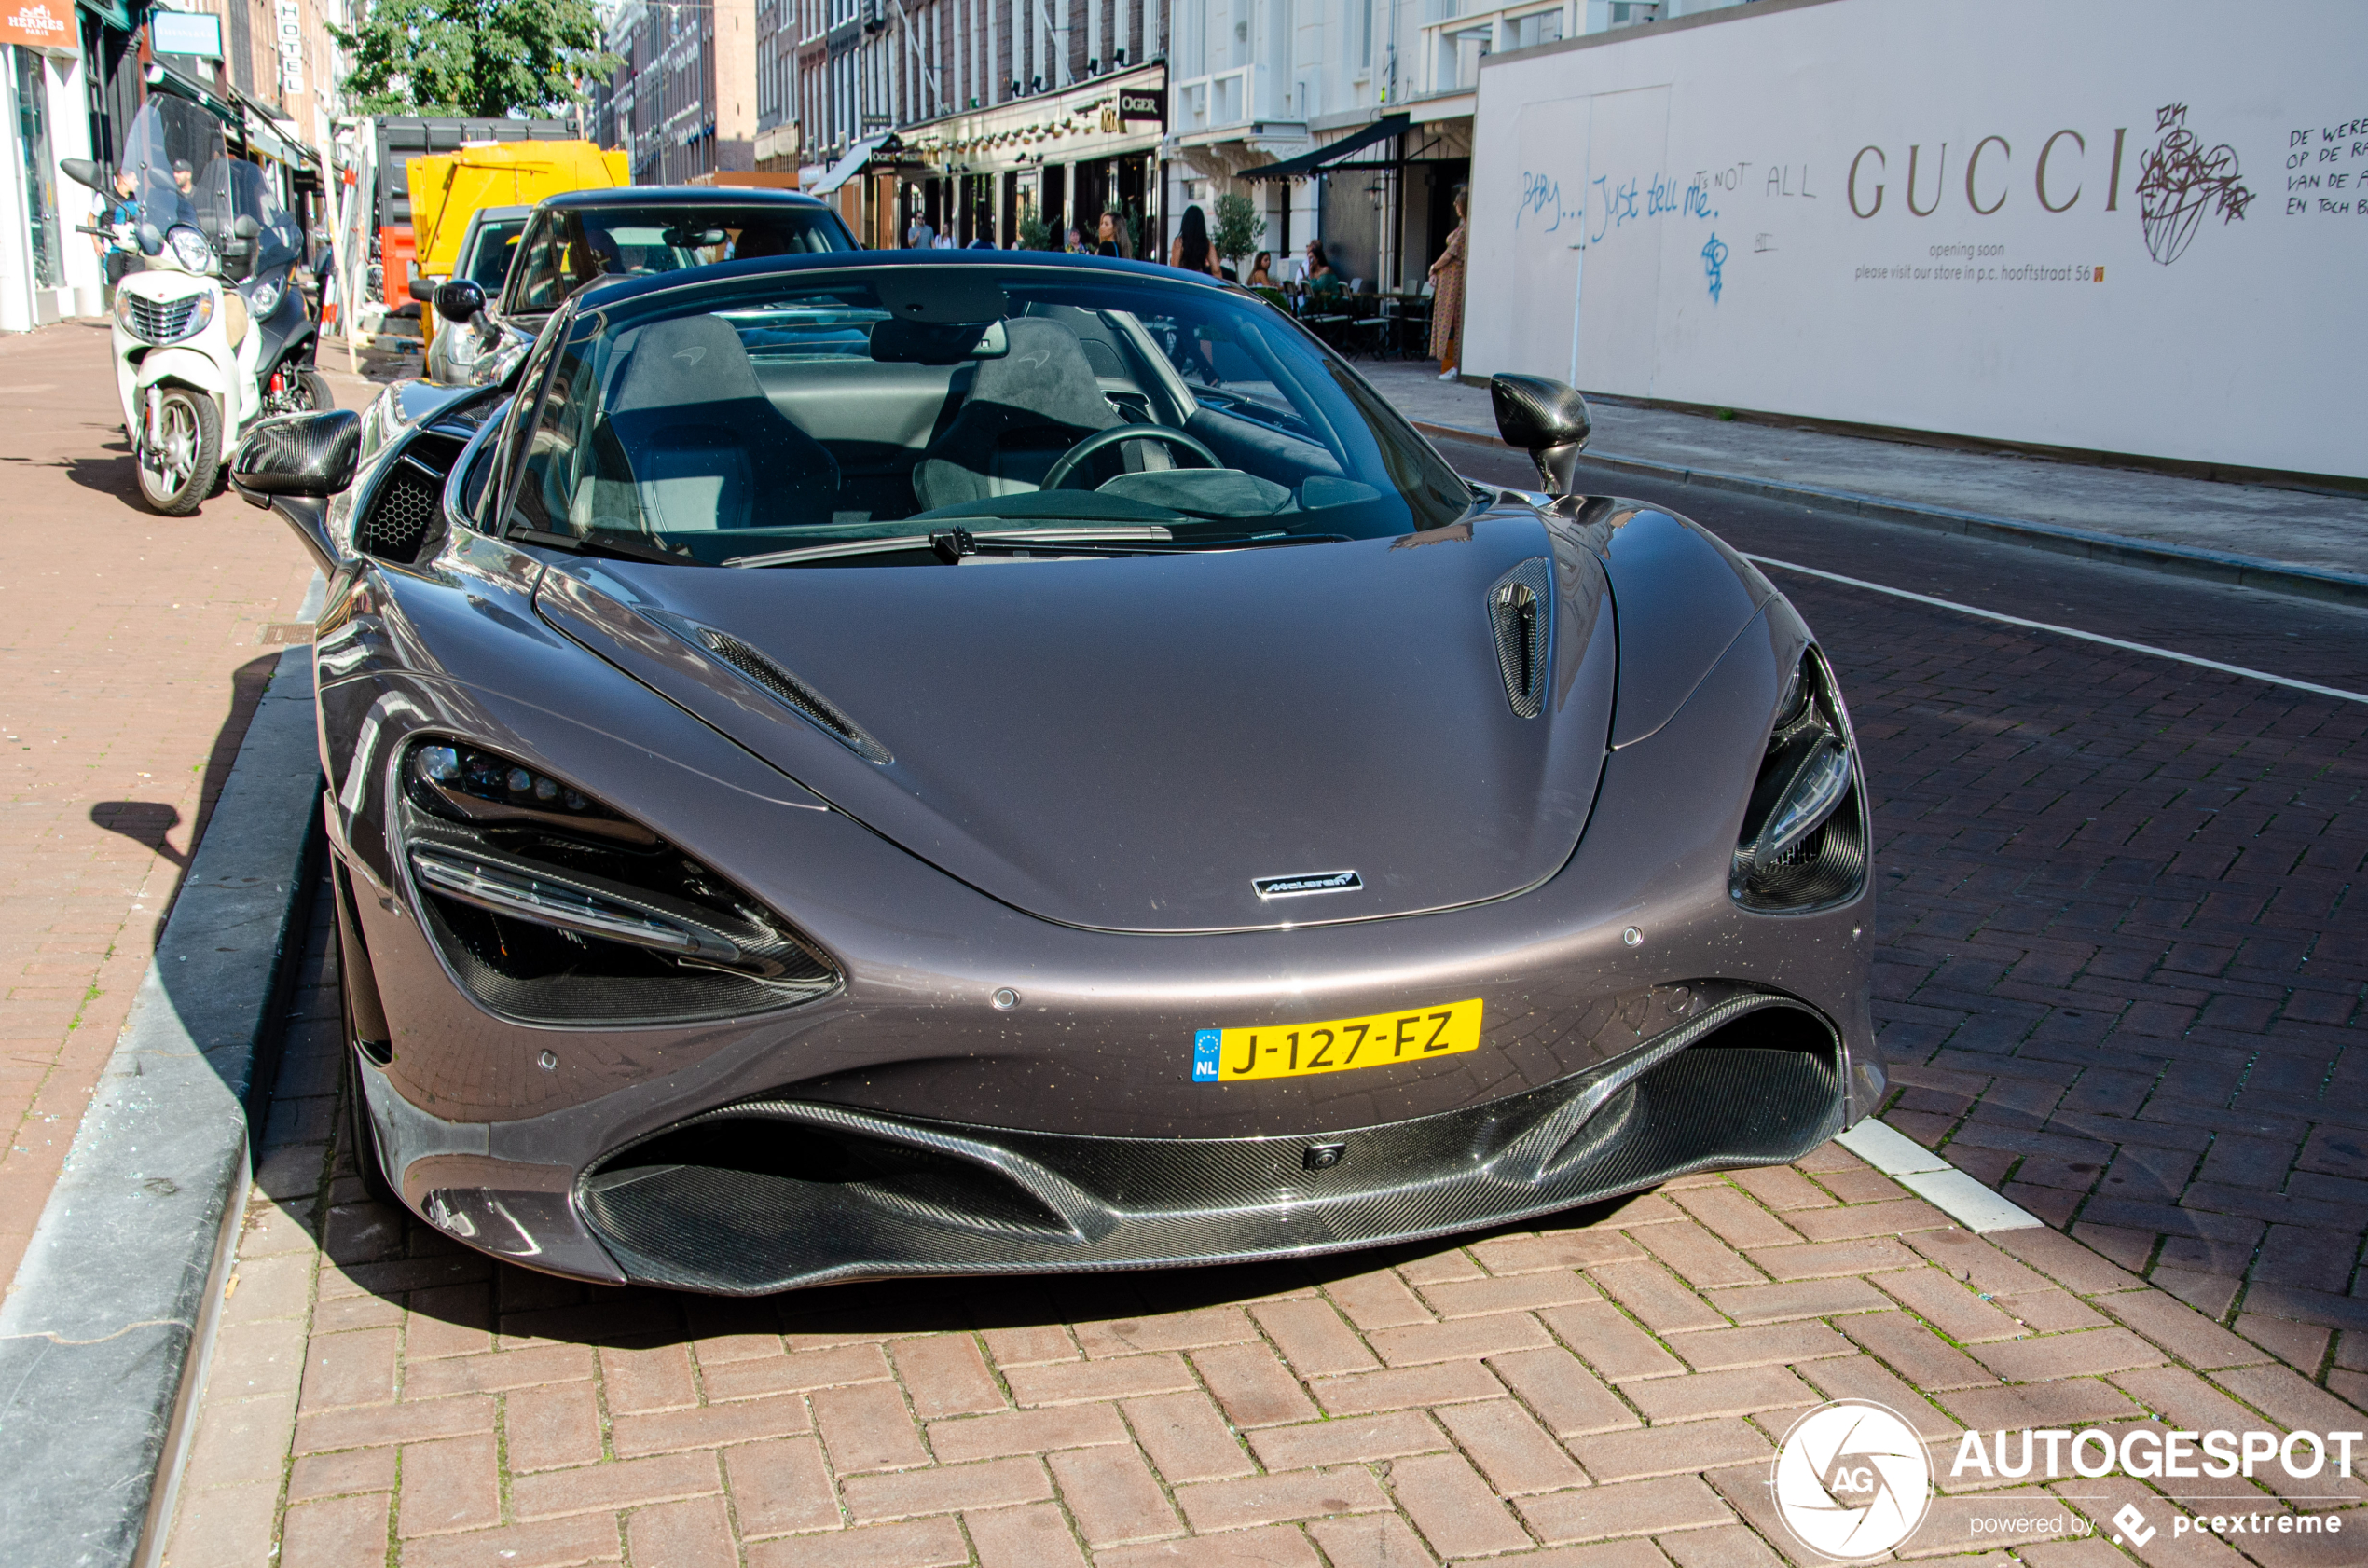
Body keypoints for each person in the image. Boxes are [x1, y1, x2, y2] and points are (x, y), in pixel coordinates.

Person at [1428, 184, 1469, 380]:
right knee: (1451, 320)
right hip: (1449, 279)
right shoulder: (1461, 227)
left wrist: (1434, 267)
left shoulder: (1464, 230)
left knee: (1455, 320)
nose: (1454, 204)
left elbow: (1450, 254)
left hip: (1455, 281)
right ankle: (1451, 363)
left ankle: (1455, 365)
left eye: (1457, 202)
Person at [1168, 204, 1218, 276]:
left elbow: (1174, 268)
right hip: (1199, 282)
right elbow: (1216, 270)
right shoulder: (1206, 243)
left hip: (1184, 281)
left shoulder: (1179, 242)